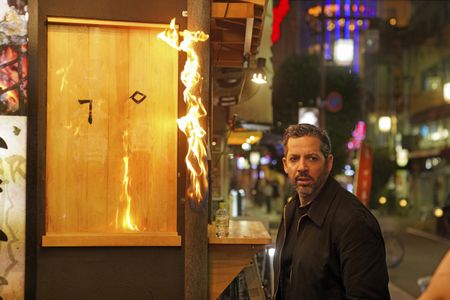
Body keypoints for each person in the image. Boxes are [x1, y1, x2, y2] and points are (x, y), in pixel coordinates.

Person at [273, 124, 390, 299]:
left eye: (312, 158)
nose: (302, 167)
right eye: (294, 158)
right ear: (285, 165)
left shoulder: (354, 222)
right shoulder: (291, 210)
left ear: (328, 164)